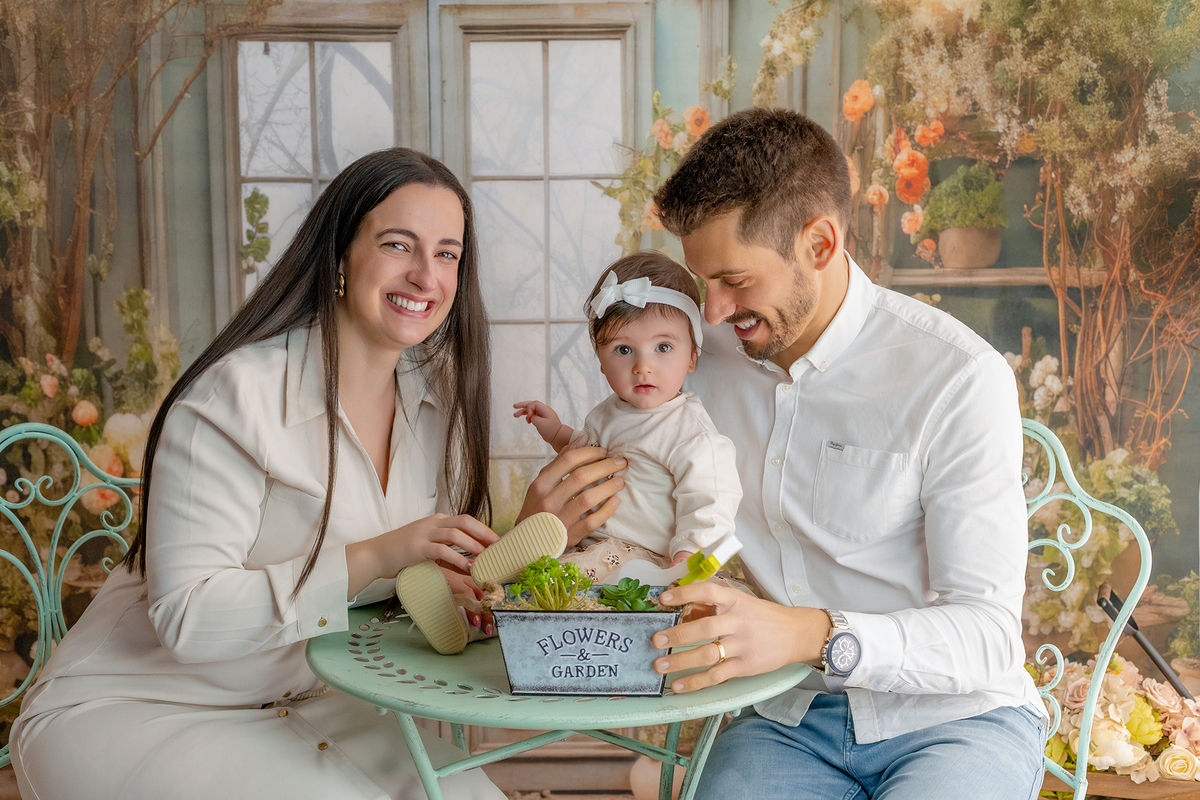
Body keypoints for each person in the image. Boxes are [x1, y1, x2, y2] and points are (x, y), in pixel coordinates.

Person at [521, 108, 1047, 799]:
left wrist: (812, 634)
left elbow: (986, 636)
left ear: (820, 244)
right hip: (787, 716)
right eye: (701, 280)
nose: (709, 313)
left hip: (956, 718)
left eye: (735, 280)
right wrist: (552, 516)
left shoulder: (955, 376)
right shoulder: (692, 364)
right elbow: (624, 484)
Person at [11, 148, 509, 800]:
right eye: (398, 244)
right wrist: (380, 555)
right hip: (141, 708)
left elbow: (407, 590)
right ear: (339, 255)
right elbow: (188, 622)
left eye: (447, 253)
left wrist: (471, 585)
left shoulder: (438, 407)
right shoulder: (234, 399)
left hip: (310, 703)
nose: (425, 275)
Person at [513, 252, 741, 583]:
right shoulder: (608, 411)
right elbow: (585, 455)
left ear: (692, 356)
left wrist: (688, 557)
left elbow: (710, 501)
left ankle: (490, 605)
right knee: (534, 565)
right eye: (623, 350)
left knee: (552, 579)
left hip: (646, 559)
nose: (642, 366)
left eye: (663, 347)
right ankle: (478, 605)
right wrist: (556, 432)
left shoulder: (689, 433)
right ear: (601, 361)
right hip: (590, 545)